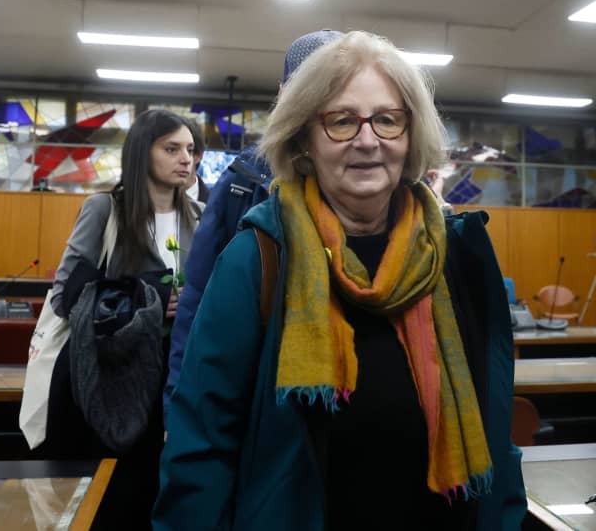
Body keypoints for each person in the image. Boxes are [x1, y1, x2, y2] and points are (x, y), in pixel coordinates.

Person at [155, 31, 526, 530]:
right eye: (342, 120)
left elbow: (493, 422)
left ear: (410, 135)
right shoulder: (258, 258)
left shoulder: (457, 253)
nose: (368, 140)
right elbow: (201, 446)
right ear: (304, 138)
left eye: (388, 119)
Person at [163, 29, 342, 425]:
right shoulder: (246, 178)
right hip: (251, 390)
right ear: (284, 95)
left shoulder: (371, 183)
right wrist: (179, 405)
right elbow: (197, 298)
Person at [44, 108, 202, 530]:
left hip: (176, 376)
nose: (186, 158)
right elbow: (66, 298)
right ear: (141, 154)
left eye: (189, 149)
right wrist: (150, 295)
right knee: (113, 500)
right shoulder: (105, 210)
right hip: (113, 376)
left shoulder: (201, 216)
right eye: (171, 149)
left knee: (161, 495)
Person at [183, 118, 210, 204]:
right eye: (171, 150)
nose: (181, 158)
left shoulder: (216, 205)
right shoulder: (145, 200)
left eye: (189, 150)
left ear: (198, 155)